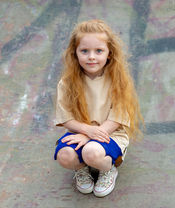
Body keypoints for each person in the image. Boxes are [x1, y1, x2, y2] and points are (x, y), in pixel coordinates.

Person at [54, 19, 144, 197]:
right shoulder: (67, 82)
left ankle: (108, 170)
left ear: (109, 53)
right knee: (64, 156)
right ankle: (82, 170)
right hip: (80, 129)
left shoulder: (118, 81)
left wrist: (92, 134)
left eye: (99, 51)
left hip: (110, 132)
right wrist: (86, 131)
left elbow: (118, 118)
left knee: (92, 152)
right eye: (84, 51)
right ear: (75, 53)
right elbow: (66, 118)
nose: (92, 57)